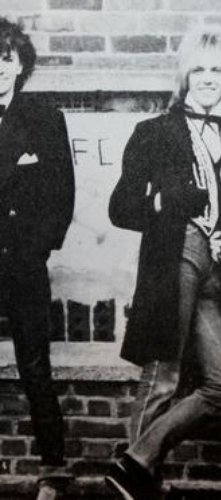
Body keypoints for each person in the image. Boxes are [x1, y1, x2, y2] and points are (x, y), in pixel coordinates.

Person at [106, 24, 221, 500]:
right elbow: (121, 208)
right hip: (175, 256)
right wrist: (164, 202)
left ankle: (133, 463)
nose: (208, 78)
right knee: (163, 374)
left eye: (217, 70)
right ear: (185, 76)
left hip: (216, 269)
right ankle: (141, 486)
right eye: (199, 69)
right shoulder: (155, 132)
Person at [0, 18, 74, 500]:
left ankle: (53, 469)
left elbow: (62, 194)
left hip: (22, 261)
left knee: (35, 366)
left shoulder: (43, 118)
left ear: (20, 64)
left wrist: (36, 247)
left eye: (5, 59)